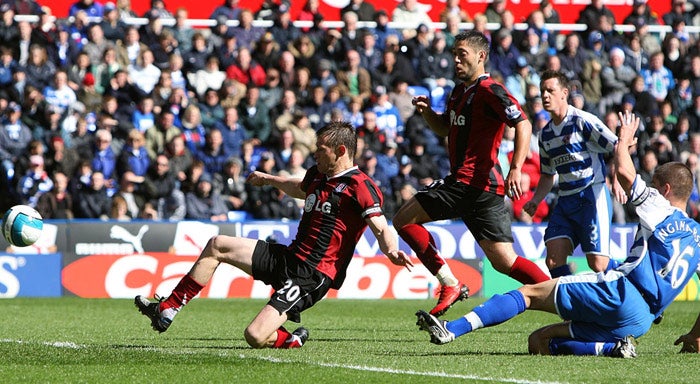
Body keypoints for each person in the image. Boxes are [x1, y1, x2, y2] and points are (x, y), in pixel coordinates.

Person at [416, 110, 700, 358]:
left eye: (654, 184)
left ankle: (451, 329)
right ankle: (611, 348)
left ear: (664, 190)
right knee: (538, 341)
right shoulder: (697, 236)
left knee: (527, 294)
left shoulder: (660, 207)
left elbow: (626, 175)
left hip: (619, 294)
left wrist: (623, 141)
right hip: (640, 321)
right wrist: (695, 336)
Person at [135, 121, 413, 349]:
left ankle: (291, 339)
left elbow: (380, 225)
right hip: (289, 256)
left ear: (341, 151)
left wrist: (391, 251)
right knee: (217, 245)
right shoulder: (318, 174)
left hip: (312, 275)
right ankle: (168, 308)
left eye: (321, 149)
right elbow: (300, 188)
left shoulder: (360, 186)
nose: (315, 154)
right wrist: (268, 180)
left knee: (255, 336)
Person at [393, 31, 550, 318]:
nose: (455, 59)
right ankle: (565, 299)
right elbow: (444, 129)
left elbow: (523, 123)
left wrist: (515, 167)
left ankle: (449, 283)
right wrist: (428, 113)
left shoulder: (491, 90)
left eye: (461, 54)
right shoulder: (459, 91)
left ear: (481, 56)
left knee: (403, 219)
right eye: (454, 53)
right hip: (480, 189)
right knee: (505, 261)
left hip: (471, 181)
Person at [523, 70, 624, 278]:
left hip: (591, 195)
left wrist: (619, 179)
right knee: (553, 260)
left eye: (550, 90)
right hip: (566, 200)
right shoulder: (546, 134)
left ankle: (636, 282)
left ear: (564, 93)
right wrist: (536, 199)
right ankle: (574, 306)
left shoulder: (583, 121)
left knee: (598, 263)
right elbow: (547, 174)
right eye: (543, 91)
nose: (545, 96)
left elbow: (618, 146)